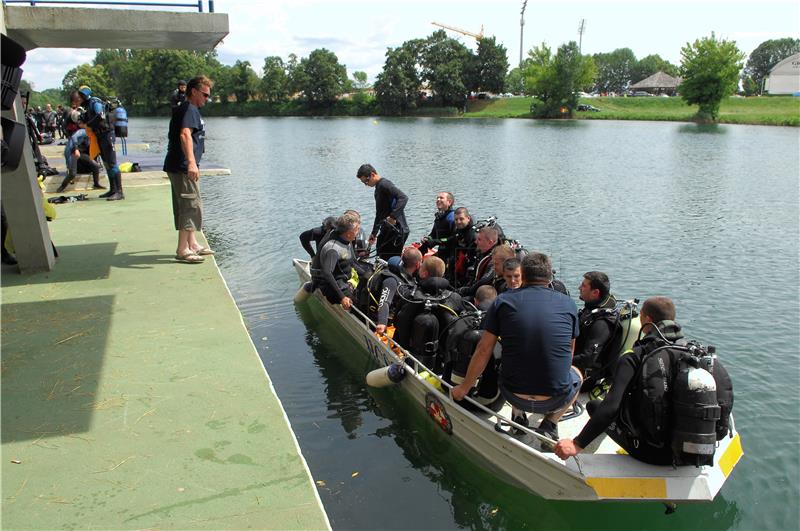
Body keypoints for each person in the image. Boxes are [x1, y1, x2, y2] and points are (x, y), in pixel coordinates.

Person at [452, 253, 582, 447]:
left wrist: (464, 388)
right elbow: (568, 354)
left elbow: (483, 349)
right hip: (554, 398)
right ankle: (550, 422)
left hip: (513, 393)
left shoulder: (503, 301)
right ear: (550, 278)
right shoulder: (569, 304)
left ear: (524, 277)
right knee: (578, 375)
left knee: (510, 357)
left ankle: (518, 417)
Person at [554, 297, 683, 465]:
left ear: (647, 320)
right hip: (686, 450)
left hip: (652, 453)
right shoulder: (689, 351)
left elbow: (611, 407)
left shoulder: (635, 356)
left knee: (595, 406)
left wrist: (577, 444)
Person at [163, 75, 214, 263]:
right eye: (205, 95)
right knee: (190, 205)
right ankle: (182, 249)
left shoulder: (186, 109)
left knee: (187, 203)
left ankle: (192, 243)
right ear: (194, 91)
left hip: (179, 165)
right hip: (183, 166)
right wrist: (191, 163)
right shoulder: (189, 109)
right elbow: (185, 135)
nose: (207, 99)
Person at [77, 85, 124, 201]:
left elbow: (100, 116)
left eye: (80, 96)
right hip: (100, 135)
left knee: (112, 163)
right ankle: (113, 190)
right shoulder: (87, 106)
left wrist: (88, 124)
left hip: (107, 134)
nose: (79, 98)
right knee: (106, 163)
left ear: (84, 95)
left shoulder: (95, 102)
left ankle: (119, 192)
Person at [573, 271, 619, 388]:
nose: (579, 288)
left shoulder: (602, 323)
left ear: (595, 292)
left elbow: (588, 359)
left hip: (587, 379)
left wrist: (558, 360)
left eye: (583, 286)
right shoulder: (591, 311)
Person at [356, 163, 409, 260]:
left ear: (372, 174)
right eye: (364, 183)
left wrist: (393, 217)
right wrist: (374, 233)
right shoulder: (378, 189)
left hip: (397, 231)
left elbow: (403, 198)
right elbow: (379, 214)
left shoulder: (385, 184)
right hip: (388, 230)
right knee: (380, 254)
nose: (366, 185)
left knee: (388, 259)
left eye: (366, 181)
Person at [310, 212, 361, 310]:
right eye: (357, 229)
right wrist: (342, 297)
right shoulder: (333, 249)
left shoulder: (347, 240)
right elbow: (327, 273)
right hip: (332, 286)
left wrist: (368, 274)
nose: (359, 231)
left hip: (345, 280)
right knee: (357, 306)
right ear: (349, 233)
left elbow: (353, 262)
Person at [367, 246, 422, 334]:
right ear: (418, 265)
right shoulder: (392, 280)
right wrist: (382, 322)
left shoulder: (411, 279)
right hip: (384, 321)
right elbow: (384, 302)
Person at [58, 122, 104, 193]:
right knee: (72, 174)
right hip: (72, 152)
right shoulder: (82, 131)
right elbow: (74, 137)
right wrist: (76, 149)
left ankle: (96, 184)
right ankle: (61, 187)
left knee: (95, 166)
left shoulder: (91, 134)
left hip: (80, 153)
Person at [419, 191, 456, 260]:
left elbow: (454, 238)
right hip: (442, 251)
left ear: (449, 202)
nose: (438, 200)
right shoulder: (439, 217)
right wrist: (427, 239)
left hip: (452, 254)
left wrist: (436, 241)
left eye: (441, 198)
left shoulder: (452, 217)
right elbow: (433, 234)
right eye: (437, 198)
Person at [450, 207, 477, 287]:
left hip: (470, 263)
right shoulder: (457, 229)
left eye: (461, 219)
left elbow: (473, 257)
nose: (458, 222)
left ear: (468, 218)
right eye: (456, 219)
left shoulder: (473, 234)